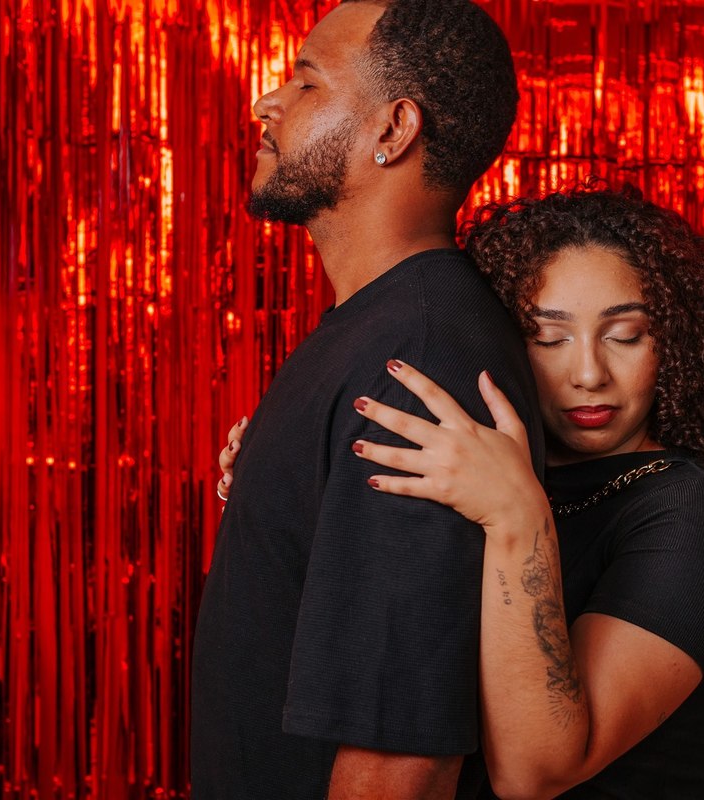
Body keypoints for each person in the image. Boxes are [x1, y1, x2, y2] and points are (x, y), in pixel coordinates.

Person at [221, 184, 704, 798]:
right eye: (549, 338)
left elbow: (534, 773)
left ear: (675, 343)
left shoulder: (697, 518)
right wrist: (293, 479)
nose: (589, 373)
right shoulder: (485, 473)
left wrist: (518, 519)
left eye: (625, 335)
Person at [191, 1, 543, 798]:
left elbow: (401, 756)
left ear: (394, 129)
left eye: (307, 83)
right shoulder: (376, 331)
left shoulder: (420, 361)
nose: (267, 102)